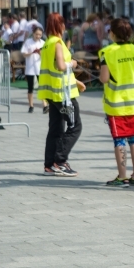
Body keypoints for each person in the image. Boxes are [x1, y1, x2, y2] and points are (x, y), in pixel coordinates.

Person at [99, 18, 134, 187]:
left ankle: (122, 176)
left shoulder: (107, 52)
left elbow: (104, 78)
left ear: (112, 33)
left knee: (119, 140)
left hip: (116, 104)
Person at [39, 12, 87, 176]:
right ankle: (60, 161)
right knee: (75, 126)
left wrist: (75, 81)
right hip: (63, 95)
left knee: (56, 128)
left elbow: (53, 69)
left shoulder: (46, 44)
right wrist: (72, 63)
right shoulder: (58, 43)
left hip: (51, 93)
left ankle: (49, 164)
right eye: (63, 23)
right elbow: (61, 66)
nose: (65, 26)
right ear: (59, 25)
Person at [21, 26, 46, 113]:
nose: (38, 36)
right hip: (30, 67)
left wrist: (40, 53)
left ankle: (44, 105)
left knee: (42, 87)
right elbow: (24, 54)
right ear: (33, 34)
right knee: (30, 87)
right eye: (36, 34)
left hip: (40, 67)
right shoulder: (28, 42)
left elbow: (45, 56)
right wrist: (31, 52)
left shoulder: (43, 43)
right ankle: (31, 105)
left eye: (40, 35)